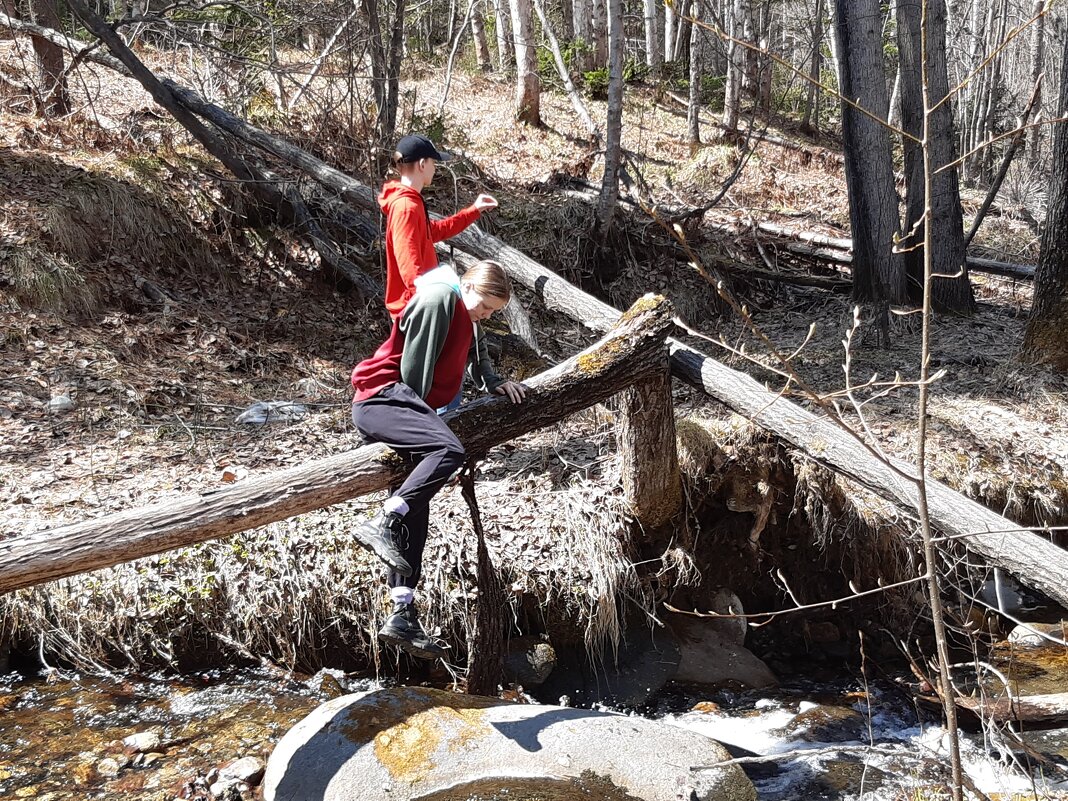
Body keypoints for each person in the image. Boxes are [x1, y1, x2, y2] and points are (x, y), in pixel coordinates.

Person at [350, 259, 526, 658]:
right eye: (484, 304)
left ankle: (402, 612)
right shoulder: (439, 298)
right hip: (384, 398)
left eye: (493, 311)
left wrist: (495, 383)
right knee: (447, 450)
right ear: (468, 286)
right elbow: (414, 369)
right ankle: (384, 519)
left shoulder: (465, 311)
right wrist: (428, 423)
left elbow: (476, 353)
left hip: (403, 406)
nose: (484, 313)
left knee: (419, 509)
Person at [380, 134, 499, 319]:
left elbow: (435, 231)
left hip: (421, 304)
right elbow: (410, 268)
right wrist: (430, 306)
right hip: (414, 310)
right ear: (422, 165)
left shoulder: (412, 203)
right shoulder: (405, 207)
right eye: (433, 163)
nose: (435, 169)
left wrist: (474, 210)